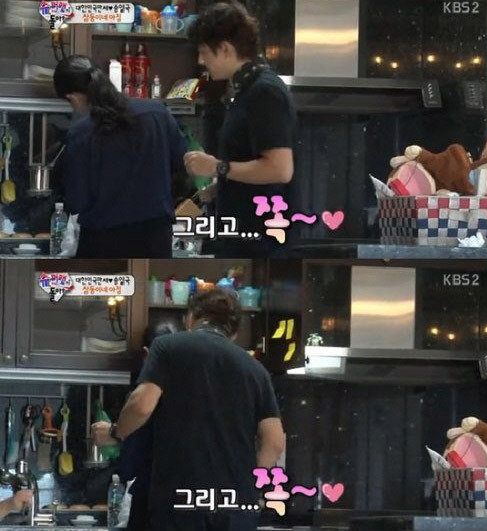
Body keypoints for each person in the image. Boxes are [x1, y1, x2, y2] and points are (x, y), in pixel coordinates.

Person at [92, 288, 285, 531]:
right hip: (235, 508)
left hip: (178, 504)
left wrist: (115, 433)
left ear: (191, 317)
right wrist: (247, 485)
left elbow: (141, 405)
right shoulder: (256, 371)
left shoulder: (168, 347)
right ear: (234, 332)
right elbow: (274, 442)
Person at [184, 2, 297, 258]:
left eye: (204, 52)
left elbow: (280, 169)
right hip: (243, 231)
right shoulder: (246, 90)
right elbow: (251, 161)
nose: (201, 61)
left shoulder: (265, 91)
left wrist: (217, 167)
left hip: (261, 237)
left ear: (225, 49)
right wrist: (219, 187)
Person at [53, 55, 188, 258]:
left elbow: (77, 200)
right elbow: (182, 164)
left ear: (73, 97)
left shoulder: (81, 133)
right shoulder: (157, 112)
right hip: (156, 238)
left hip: (103, 242)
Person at [118, 321, 180, 531]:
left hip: (151, 498)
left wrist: (114, 434)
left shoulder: (141, 398)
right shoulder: (196, 396)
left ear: (146, 354)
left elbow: (129, 463)